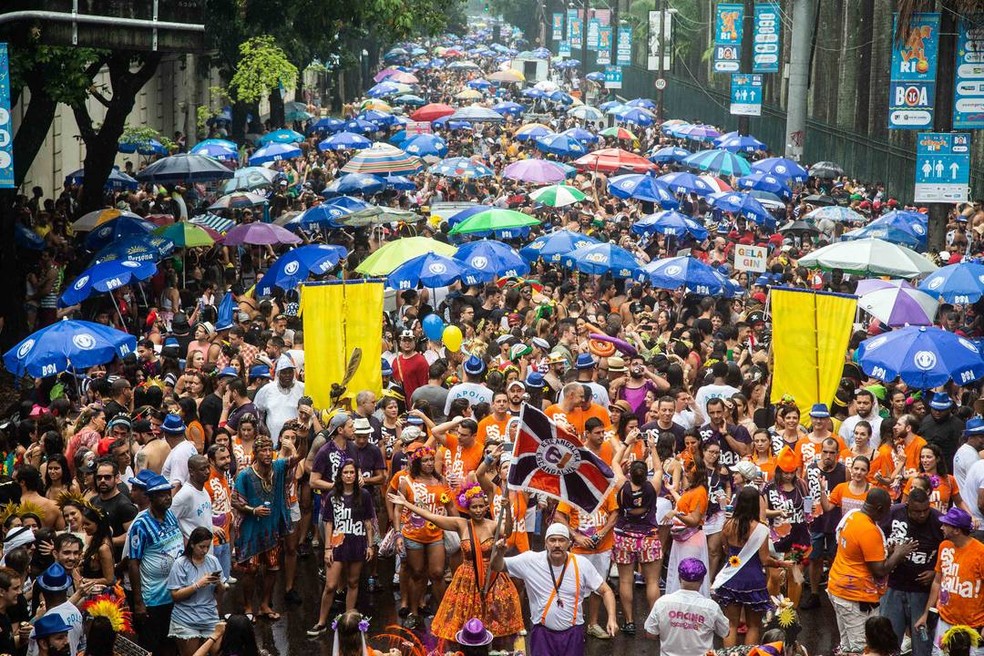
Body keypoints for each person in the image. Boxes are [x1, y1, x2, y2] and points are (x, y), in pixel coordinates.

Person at [390, 481, 523, 645]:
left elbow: (508, 532)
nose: (478, 510)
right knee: (467, 618)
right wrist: (406, 504)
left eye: (481, 506)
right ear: (468, 508)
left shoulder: (493, 525)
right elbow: (432, 517)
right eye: (474, 507)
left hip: (492, 578)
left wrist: (508, 509)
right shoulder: (461, 525)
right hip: (466, 579)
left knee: (492, 618)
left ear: (486, 507)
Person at [490, 523, 617, 656]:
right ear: (545, 543)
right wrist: (499, 553)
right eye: (552, 540)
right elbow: (497, 566)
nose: (557, 544)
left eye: (561, 540)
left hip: (573, 634)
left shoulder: (581, 564)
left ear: (569, 543)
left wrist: (612, 618)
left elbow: (606, 591)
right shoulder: (530, 560)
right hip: (541, 634)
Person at [827, 488, 918, 654]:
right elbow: (879, 570)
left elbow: (862, 554)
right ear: (879, 509)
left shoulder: (853, 516)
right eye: (887, 509)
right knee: (862, 648)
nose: (887, 514)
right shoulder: (869, 529)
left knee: (847, 646)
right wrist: (899, 553)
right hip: (854, 597)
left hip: (839, 589)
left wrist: (887, 553)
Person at [231, 434, 301, 622]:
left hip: (272, 529)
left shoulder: (277, 468)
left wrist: (302, 438)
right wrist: (253, 510)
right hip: (251, 530)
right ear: (256, 453)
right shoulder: (246, 475)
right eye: (263, 450)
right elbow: (235, 500)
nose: (268, 454)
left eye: (270, 450)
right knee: (251, 570)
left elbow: (299, 457)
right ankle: (248, 606)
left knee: (273, 568)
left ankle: (264, 604)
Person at [713, 486, 790, 647]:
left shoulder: (728, 525)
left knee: (731, 625)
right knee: (753, 626)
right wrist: (781, 563)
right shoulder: (761, 529)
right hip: (754, 579)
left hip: (732, 578)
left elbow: (726, 550)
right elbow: (764, 559)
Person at [307, 460, 376, 636]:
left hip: (357, 541)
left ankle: (348, 621)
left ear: (357, 474)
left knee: (353, 582)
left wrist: (370, 545)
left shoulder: (365, 495)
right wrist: (327, 548)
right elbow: (328, 523)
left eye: (352, 472)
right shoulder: (332, 496)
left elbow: (368, 522)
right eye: (345, 472)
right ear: (340, 475)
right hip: (338, 544)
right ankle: (321, 621)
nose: (349, 476)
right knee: (330, 585)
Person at [879, 487, 943, 656]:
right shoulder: (893, 514)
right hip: (894, 586)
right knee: (888, 640)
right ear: (907, 507)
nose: (922, 515)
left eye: (925, 510)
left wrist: (935, 572)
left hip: (922, 591)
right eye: (917, 511)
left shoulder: (938, 520)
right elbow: (877, 537)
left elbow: (948, 551)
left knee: (922, 642)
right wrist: (889, 552)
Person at [128, 472, 185, 656]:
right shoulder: (141, 525)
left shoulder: (170, 516)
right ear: (150, 497)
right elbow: (133, 563)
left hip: (174, 594)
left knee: (172, 642)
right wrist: (138, 603)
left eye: (168, 493)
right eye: (161, 495)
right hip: (153, 598)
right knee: (151, 646)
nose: (167, 498)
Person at [916, 507, 984, 656]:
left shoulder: (981, 553)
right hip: (945, 621)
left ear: (956, 530)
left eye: (945, 525)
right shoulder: (944, 547)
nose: (941, 527)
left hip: (974, 626)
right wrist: (926, 613)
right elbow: (937, 582)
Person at [644, 558, 730, 656]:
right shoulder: (711, 607)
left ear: (679, 577)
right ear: (702, 580)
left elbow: (651, 633)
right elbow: (725, 632)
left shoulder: (662, 603)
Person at [167, 526, 223, 656]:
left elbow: (220, 591)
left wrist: (219, 583)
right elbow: (175, 595)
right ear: (192, 544)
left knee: (218, 652)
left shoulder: (213, 561)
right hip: (186, 620)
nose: (205, 551)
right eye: (201, 547)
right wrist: (197, 585)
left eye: (207, 547)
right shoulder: (180, 564)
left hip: (209, 616)